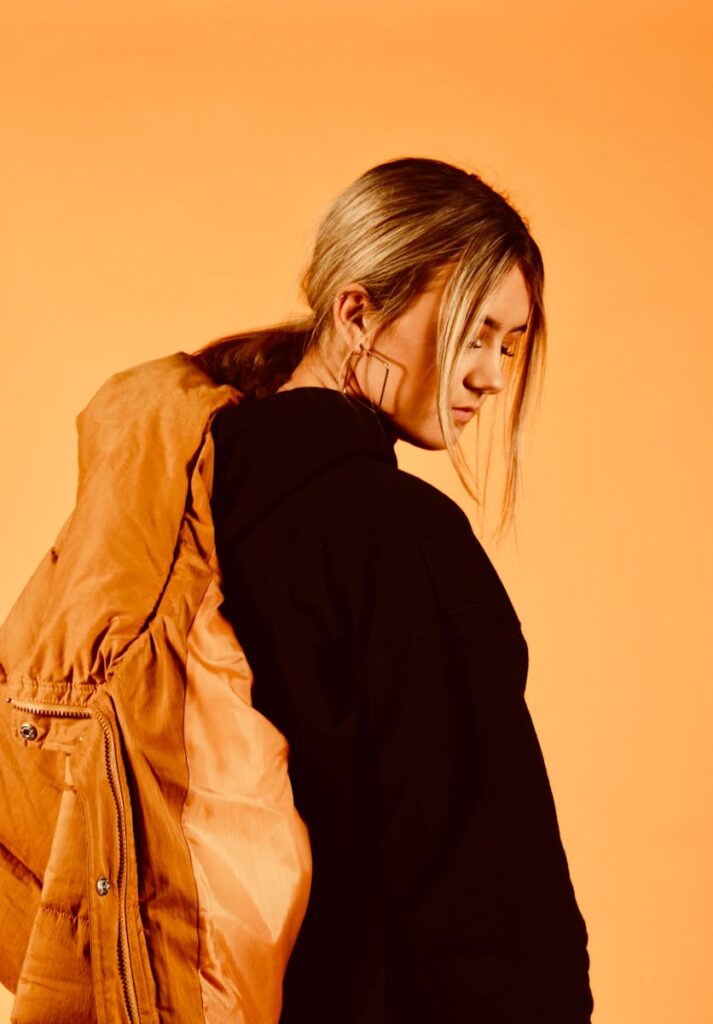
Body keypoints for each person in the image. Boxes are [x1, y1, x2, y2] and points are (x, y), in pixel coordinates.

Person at [191, 156, 594, 1021]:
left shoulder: (190, 493)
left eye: (508, 344)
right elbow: (489, 889)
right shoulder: (399, 537)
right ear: (357, 311)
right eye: (472, 332)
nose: (489, 374)